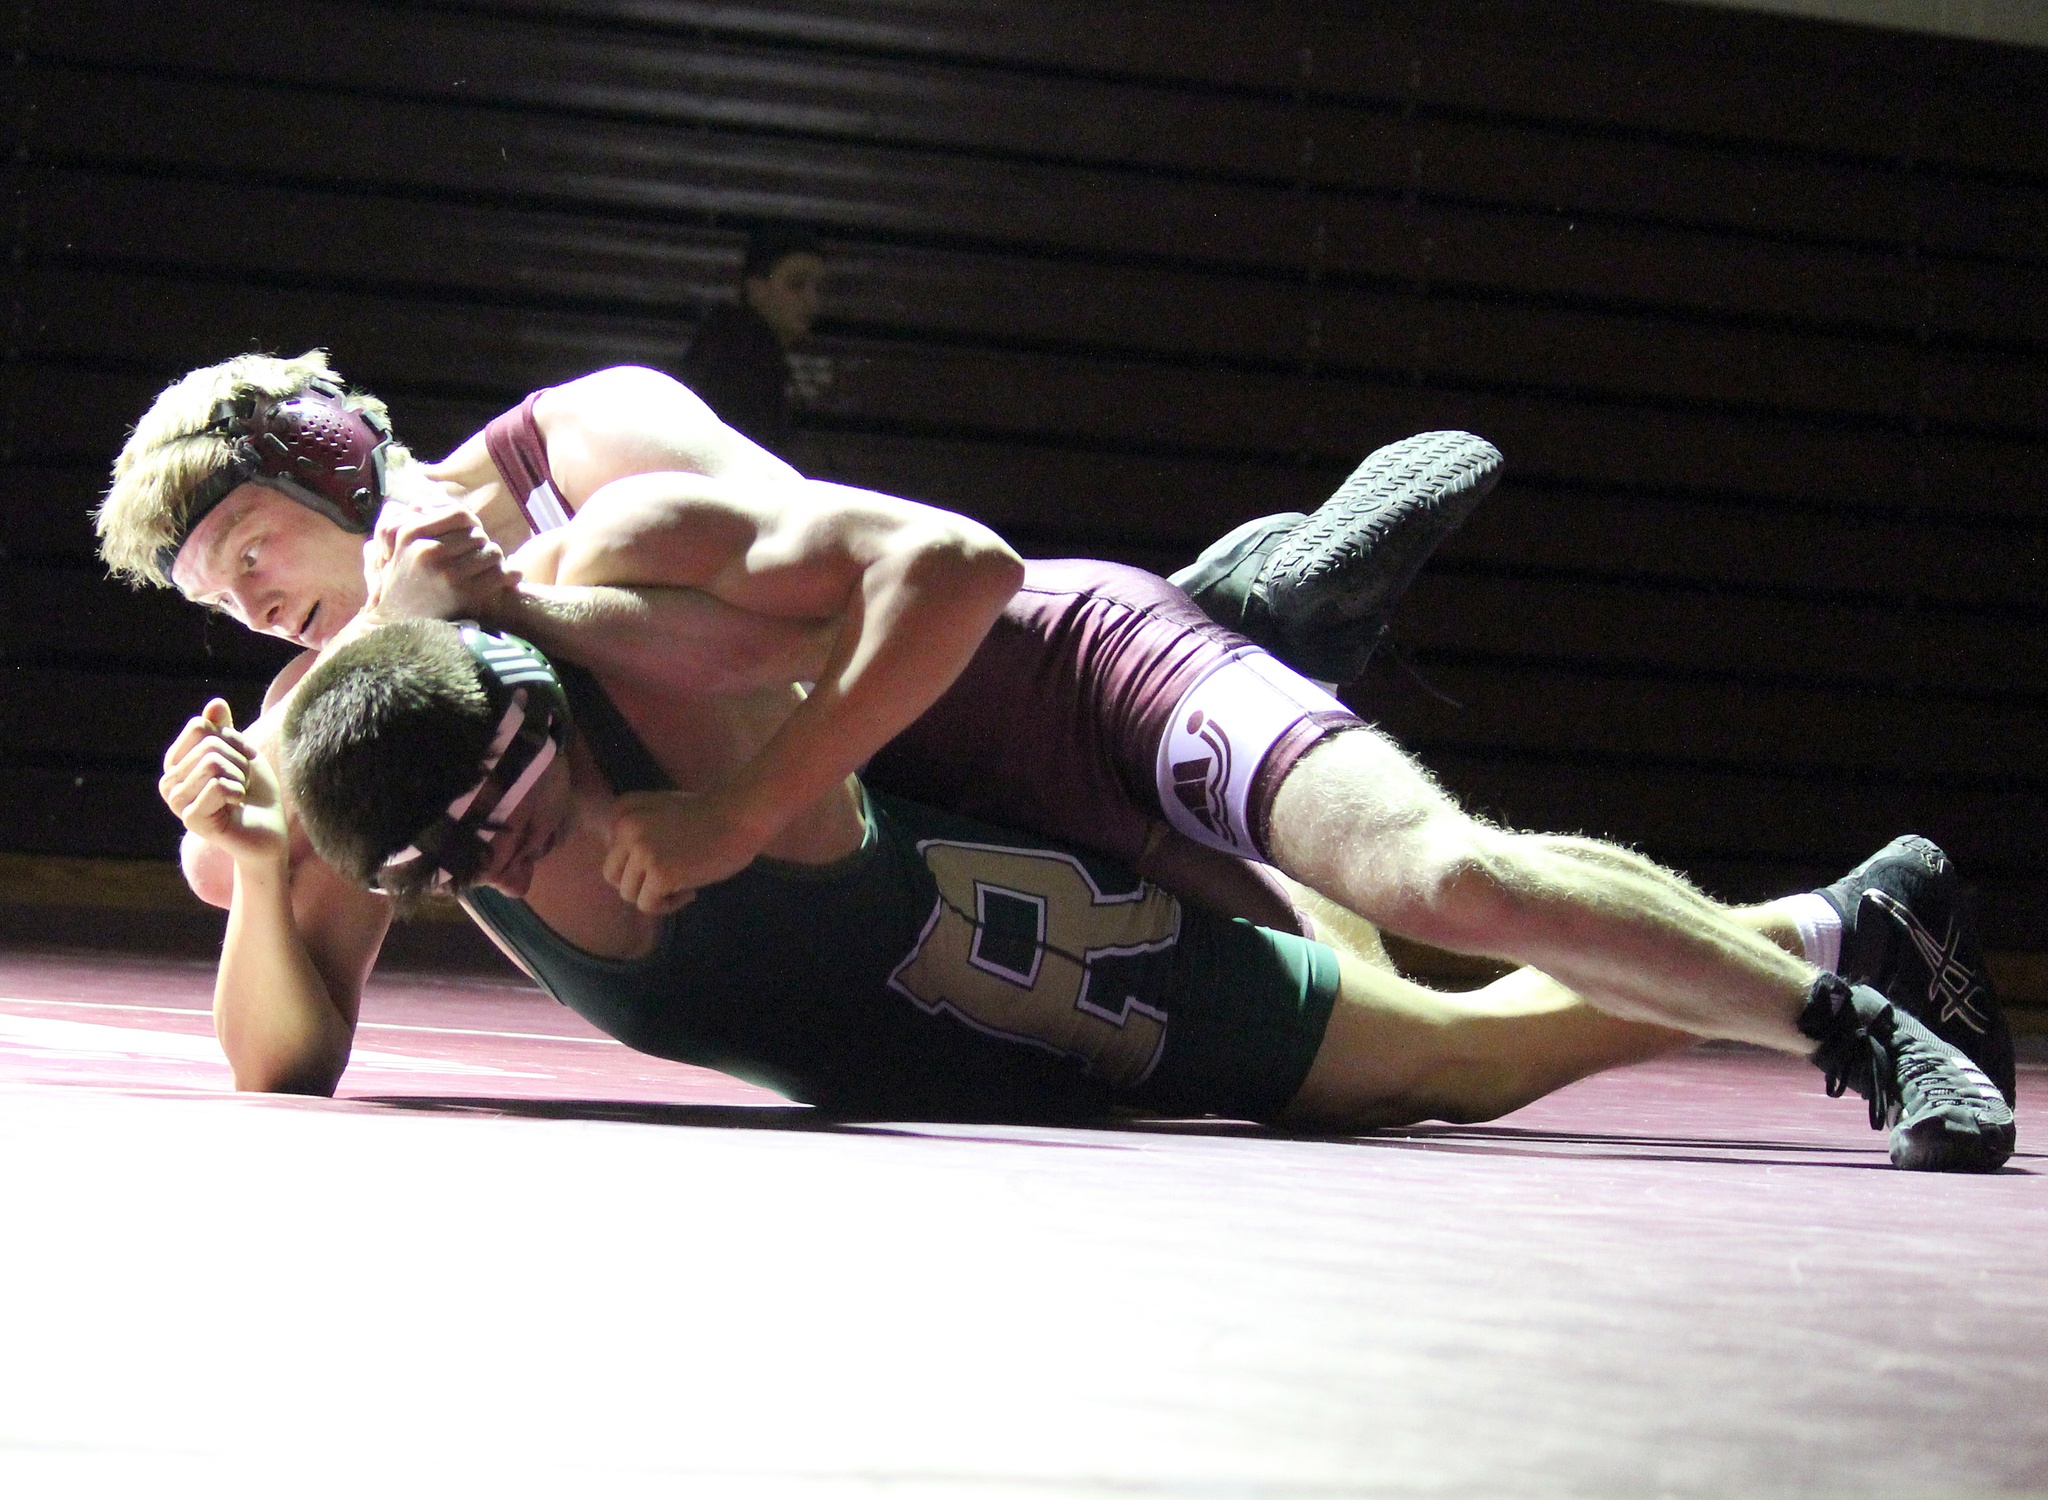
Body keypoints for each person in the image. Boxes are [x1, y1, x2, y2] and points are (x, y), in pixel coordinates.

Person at [112, 353, 2014, 1165]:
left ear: (333, 466)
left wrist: (557, 630)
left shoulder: (579, 481)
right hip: (956, 843)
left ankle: (1836, 1010)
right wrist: (252, 835)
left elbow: (899, 591)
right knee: (1392, 1035)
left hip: (1019, 687)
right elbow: (285, 997)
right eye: (218, 601)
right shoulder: (382, 704)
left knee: (1432, 894)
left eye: (253, 558)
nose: (255, 611)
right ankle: (1833, 930)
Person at [184, 615, 2010, 1172]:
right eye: (467, 868)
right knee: (1425, 1007)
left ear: (535, 701)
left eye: (529, 804)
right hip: (973, 1024)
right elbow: (278, 1062)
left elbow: (914, 575)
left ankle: (1841, 930)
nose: (524, 858)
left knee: (1459, 1058)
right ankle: (1249, 657)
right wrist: (265, 866)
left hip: (1093, 976)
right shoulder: (393, 779)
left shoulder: (658, 678)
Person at [676, 225, 824, 457]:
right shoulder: (739, 362)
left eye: (817, 288)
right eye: (796, 285)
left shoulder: (741, 350)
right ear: (757, 290)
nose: (812, 301)